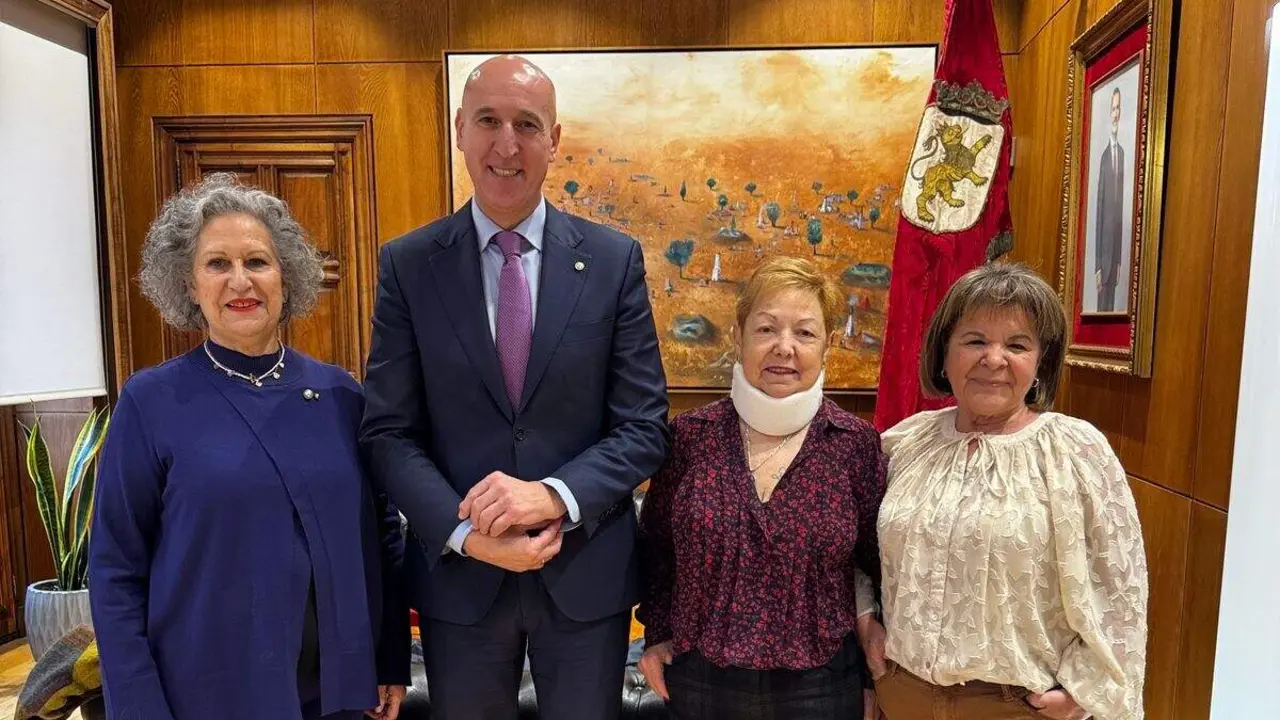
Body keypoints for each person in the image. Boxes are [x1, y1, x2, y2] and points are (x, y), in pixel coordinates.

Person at [359, 54, 670, 720]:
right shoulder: (409, 266)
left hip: (585, 578)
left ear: (554, 140)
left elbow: (644, 427)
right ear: (459, 130)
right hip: (460, 583)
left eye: (526, 124)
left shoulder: (613, 261)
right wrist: (467, 533)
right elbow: (387, 433)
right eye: (488, 121)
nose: (507, 144)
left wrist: (552, 494)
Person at [89, 173, 409, 720]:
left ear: (287, 276)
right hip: (206, 696)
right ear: (189, 285)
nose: (240, 281)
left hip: (337, 694)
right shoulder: (151, 401)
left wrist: (389, 660)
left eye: (257, 261)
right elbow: (116, 569)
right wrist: (138, 704)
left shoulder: (342, 395)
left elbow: (382, 538)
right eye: (217, 264)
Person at [863, 262, 1148, 720]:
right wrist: (865, 622)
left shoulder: (1074, 452)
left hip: (1018, 706)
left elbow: (1119, 590)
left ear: (1040, 363)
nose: (994, 360)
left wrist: (1085, 692)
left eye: (1017, 345)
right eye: (975, 340)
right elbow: (854, 549)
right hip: (901, 696)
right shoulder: (904, 442)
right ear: (944, 353)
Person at [637, 257, 886, 720]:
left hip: (822, 684)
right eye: (766, 329)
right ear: (738, 337)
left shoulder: (854, 444)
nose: (784, 348)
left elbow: (879, 562)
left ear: (829, 345)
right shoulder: (691, 436)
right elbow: (656, 546)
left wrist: (875, 677)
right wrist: (656, 634)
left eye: (805, 333)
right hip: (700, 677)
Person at [1095, 87, 1126, 312]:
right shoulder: (1104, 158)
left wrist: (1118, 261)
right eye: (1113, 109)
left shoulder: (1122, 154)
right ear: (1109, 113)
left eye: (1118, 109)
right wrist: (1098, 265)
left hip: (1114, 259)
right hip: (1103, 261)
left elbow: (1120, 212)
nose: (1116, 114)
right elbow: (1099, 213)